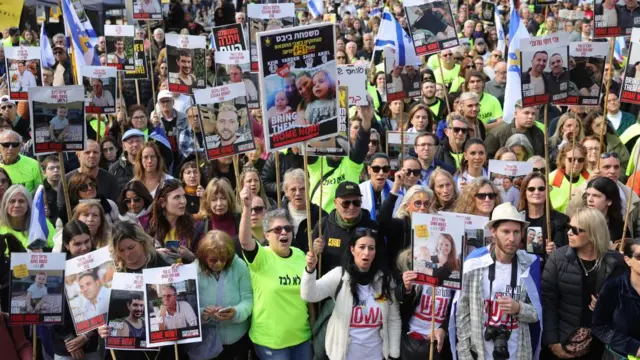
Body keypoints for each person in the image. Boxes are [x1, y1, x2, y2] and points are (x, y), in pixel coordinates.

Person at [454, 202, 542, 360]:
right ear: (493, 231)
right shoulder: (474, 265)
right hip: (481, 352)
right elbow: (462, 315)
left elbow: (537, 315)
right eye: (506, 231)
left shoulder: (530, 265)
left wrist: (519, 308)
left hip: (518, 352)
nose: (512, 238)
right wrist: (465, 354)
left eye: (516, 232)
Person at [301, 227, 401, 360]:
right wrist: (310, 270)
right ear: (352, 249)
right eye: (362, 247)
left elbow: (393, 319)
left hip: (377, 355)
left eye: (371, 248)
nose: (366, 252)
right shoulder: (339, 275)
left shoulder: (384, 280)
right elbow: (309, 295)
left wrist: (394, 354)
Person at [237, 186, 312, 360]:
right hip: (271, 342)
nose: (284, 232)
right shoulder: (261, 257)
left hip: (302, 338)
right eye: (277, 230)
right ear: (267, 235)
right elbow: (244, 240)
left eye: (287, 228)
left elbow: (308, 296)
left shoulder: (300, 255)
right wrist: (247, 208)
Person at [542, 208, 626, 360]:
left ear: (593, 234)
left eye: (575, 230)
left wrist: (608, 305)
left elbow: (628, 302)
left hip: (601, 343)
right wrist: (552, 341)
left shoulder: (617, 263)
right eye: (569, 228)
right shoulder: (557, 258)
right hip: (564, 338)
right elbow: (548, 303)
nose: (569, 233)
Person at [195, 230, 253, 359]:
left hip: (236, 339)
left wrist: (236, 312)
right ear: (204, 257)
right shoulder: (194, 269)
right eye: (213, 260)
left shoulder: (239, 266)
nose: (219, 264)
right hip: (207, 343)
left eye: (223, 259)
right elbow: (188, 306)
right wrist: (203, 314)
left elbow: (248, 299)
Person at [311, 181, 380, 276]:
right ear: (335, 203)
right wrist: (315, 253)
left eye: (356, 203)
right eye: (346, 203)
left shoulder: (372, 227)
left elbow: (381, 260)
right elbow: (308, 262)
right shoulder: (323, 226)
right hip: (331, 286)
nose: (351, 207)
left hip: (360, 285)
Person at [52, 220, 99, 360]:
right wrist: (69, 340)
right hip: (65, 344)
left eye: (86, 241)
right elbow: (51, 310)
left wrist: (86, 336)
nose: (84, 247)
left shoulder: (101, 263)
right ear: (66, 245)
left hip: (93, 341)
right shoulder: (56, 268)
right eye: (77, 244)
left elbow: (106, 305)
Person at [592, 238, 640, 358]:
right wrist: (633, 347)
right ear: (627, 260)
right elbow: (599, 327)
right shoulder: (614, 287)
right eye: (639, 257)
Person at [147, 179, 202, 263]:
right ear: (162, 202)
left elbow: (206, 264)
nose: (183, 201)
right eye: (177, 197)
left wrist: (191, 257)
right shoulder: (150, 228)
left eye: (184, 196)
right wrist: (155, 254)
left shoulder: (196, 227)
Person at [517, 172, 569, 252]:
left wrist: (555, 250)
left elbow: (564, 249)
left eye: (541, 189)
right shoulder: (516, 218)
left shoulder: (560, 220)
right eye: (531, 189)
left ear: (547, 192)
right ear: (524, 193)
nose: (537, 192)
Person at [282, 168, 327, 251]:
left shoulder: (320, 215)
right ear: (286, 192)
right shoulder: (277, 213)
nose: (298, 193)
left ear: (309, 189)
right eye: (293, 189)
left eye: (302, 189)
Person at [549, 143, 590, 213]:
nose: (576, 163)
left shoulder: (590, 177)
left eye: (580, 160)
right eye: (571, 159)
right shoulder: (550, 178)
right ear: (563, 160)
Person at [359, 153, 394, 220]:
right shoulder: (360, 190)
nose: (381, 173)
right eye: (376, 169)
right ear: (369, 169)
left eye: (385, 169)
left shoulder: (396, 190)